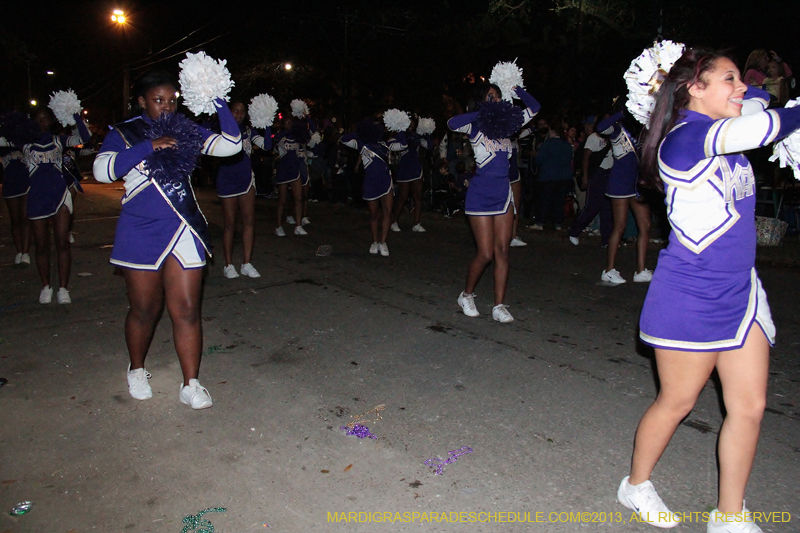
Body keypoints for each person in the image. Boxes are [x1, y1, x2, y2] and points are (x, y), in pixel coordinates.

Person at [618, 48, 800, 532]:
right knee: (677, 402)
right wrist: (768, 102)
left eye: (740, 78)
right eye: (729, 78)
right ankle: (635, 485)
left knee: (751, 406)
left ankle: (729, 514)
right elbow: (767, 124)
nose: (742, 87)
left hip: (741, 290)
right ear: (693, 89)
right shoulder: (683, 141)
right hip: (690, 296)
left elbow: (759, 103)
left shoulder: (722, 127)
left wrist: (746, 89)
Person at [93, 70, 242, 409]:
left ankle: (191, 383)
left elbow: (231, 145)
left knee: (187, 310)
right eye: (159, 100)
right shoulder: (125, 132)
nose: (167, 106)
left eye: (172, 100)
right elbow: (103, 171)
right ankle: (136, 368)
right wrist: (149, 146)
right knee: (145, 310)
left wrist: (216, 97)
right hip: (140, 231)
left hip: (181, 229)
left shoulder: (186, 129)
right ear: (143, 101)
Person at [448, 84, 539, 323]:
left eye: (498, 95)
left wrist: (517, 89)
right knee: (486, 254)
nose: (495, 98)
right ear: (482, 100)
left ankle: (499, 305)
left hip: (503, 195)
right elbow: (452, 123)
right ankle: (466, 294)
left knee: (503, 252)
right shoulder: (475, 126)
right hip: (480, 196)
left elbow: (535, 107)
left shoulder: (508, 125)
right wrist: (484, 112)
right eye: (490, 95)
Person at [17, 107, 89, 303]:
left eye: (45, 119)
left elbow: (84, 138)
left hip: (59, 196)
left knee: (62, 243)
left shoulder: (59, 140)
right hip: (37, 198)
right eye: (38, 119)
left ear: (51, 121)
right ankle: (46, 286)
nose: (41, 122)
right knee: (41, 246)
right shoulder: (25, 144)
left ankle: (63, 289)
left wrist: (75, 115)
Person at [216, 100, 271, 279]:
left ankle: (246, 263)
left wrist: (268, 123)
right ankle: (228, 264)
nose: (238, 114)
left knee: (248, 220)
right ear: (229, 112)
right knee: (230, 223)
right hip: (227, 179)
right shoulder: (222, 131)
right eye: (235, 111)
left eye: (241, 111)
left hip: (246, 179)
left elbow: (267, 146)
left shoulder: (248, 132)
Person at [597, 108, 652, 284]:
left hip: (636, 183)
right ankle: (609, 269)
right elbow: (600, 127)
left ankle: (641, 270)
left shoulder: (643, 130)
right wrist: (622, 112)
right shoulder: (617, 128)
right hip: (619, 183)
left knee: (646, 225)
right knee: (619, 226)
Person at [341, 118, 404, 256]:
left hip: (386, 181)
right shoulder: (362, 144)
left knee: (387, 211)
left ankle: (383, 242)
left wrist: (399, 128)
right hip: (370, 182)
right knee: (374, 214)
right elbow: (344, 139)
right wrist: (361, 131)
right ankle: (375, 241)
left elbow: (404, 144)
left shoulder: (387, 144)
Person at [567, 115, 613, 246]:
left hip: (610, 173)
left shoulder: (613, 137)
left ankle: (606, 240)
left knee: (607, 208)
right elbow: (586, 158)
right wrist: (585, 177)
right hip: (597, 174)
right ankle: (574, 231)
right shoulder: (593, 138)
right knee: (592, 206)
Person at [388, 116, 431, 233]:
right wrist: (401, 131)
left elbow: (429, 146)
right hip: (404, 169)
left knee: (418, 196)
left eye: (413, 124)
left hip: (416, 168)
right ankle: (394, 221)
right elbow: (393, 145)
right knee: (403, 196)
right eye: (409, 124)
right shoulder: (399, 136)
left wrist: (427, 133)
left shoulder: (417, 136)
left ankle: (416, 223)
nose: (411, 126)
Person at [273, 116, 310, 237]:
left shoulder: (297, 136)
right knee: (282, 200)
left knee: (298, 198)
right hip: (283, 170)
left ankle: (298, 226)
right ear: (283, 124)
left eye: (290, 122)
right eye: (287, 122)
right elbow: (275, 140)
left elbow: (308, 136)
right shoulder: (281, 136)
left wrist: (307, 119)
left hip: (295, 170)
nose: (289, 124)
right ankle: (278, 226)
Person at [1, 143, 31, 265]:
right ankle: (19, 251)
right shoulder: (3, 141)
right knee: (15, 219)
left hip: (26, 181)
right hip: (10, 183)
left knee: (25, 218)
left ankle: (26, 252)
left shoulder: (24, 138)